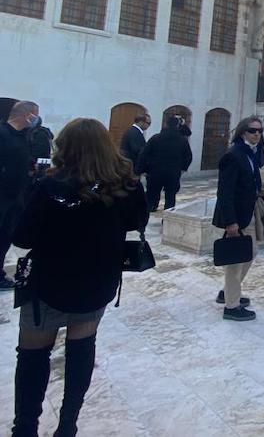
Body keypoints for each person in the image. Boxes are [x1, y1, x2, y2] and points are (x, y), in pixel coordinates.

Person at [10, 117, 147, 436]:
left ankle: (25, 427)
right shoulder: (125, 185)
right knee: (81, 349)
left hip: (48, 283)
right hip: (96, 280)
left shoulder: (50, 186)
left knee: (32, 356)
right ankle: (68, 424)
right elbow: (137, 220)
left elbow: (23, 238)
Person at [212, 116, 263, 321]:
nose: (257, 134)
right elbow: (225, 192)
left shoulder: (249, 153)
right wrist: (230, 222)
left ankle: (228, 292)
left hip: (246, 213)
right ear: (243, 132)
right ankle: (231, 307)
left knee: (251, 252)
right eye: (253, 130)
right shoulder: (233, 155)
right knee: (236, 261)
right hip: (235, 217)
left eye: (259, 130)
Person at [0, 100, 40, 290]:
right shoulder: (2, 134)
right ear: (27, 115)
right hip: (2, 195)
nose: (36, 119)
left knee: (6, 236)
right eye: (35, 115)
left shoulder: (24, 135)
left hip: (16, 195)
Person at [136, 116, 193, 212]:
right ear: (178, 126)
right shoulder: (182, 140)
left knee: (151, 196)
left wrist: (142, 170)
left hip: (155, 172)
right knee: (170, 197)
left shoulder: (156, 138)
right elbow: (188, 156)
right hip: (173, 173)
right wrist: (183, 168)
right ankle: (168, 218)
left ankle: (148, 213)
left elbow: (144, 154)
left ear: (165, 124)